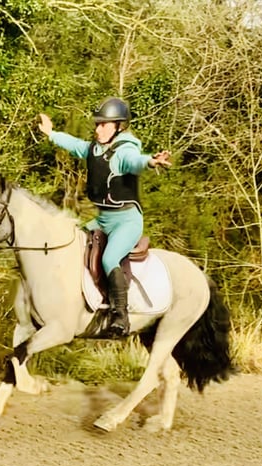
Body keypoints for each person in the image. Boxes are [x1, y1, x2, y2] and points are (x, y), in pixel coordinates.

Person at [38, 96, 172, 337]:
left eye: (104, 125)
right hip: (103, 219)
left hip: (127, 221)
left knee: (110, 258)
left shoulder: (125, 151)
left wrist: (151, 161)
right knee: (73, 241)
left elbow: (135, 162)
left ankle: (120, 316)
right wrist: (51, 133)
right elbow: (73, 144)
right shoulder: (94, 148)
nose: (98, 129)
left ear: (118, 126)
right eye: (97, 124)